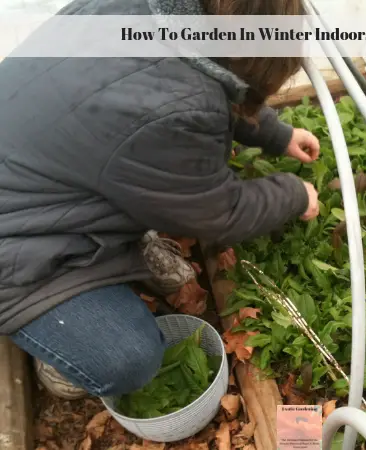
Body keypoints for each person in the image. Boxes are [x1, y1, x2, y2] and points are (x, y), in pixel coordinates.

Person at [0, 0, 320, 400]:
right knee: (129, 358)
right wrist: (293, 194)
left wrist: (278, 135)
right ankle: (61, 354)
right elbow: (221, 208)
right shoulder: (178, 107)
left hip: (29, 171)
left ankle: (119, 253)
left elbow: (204, 81)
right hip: (15, 252)